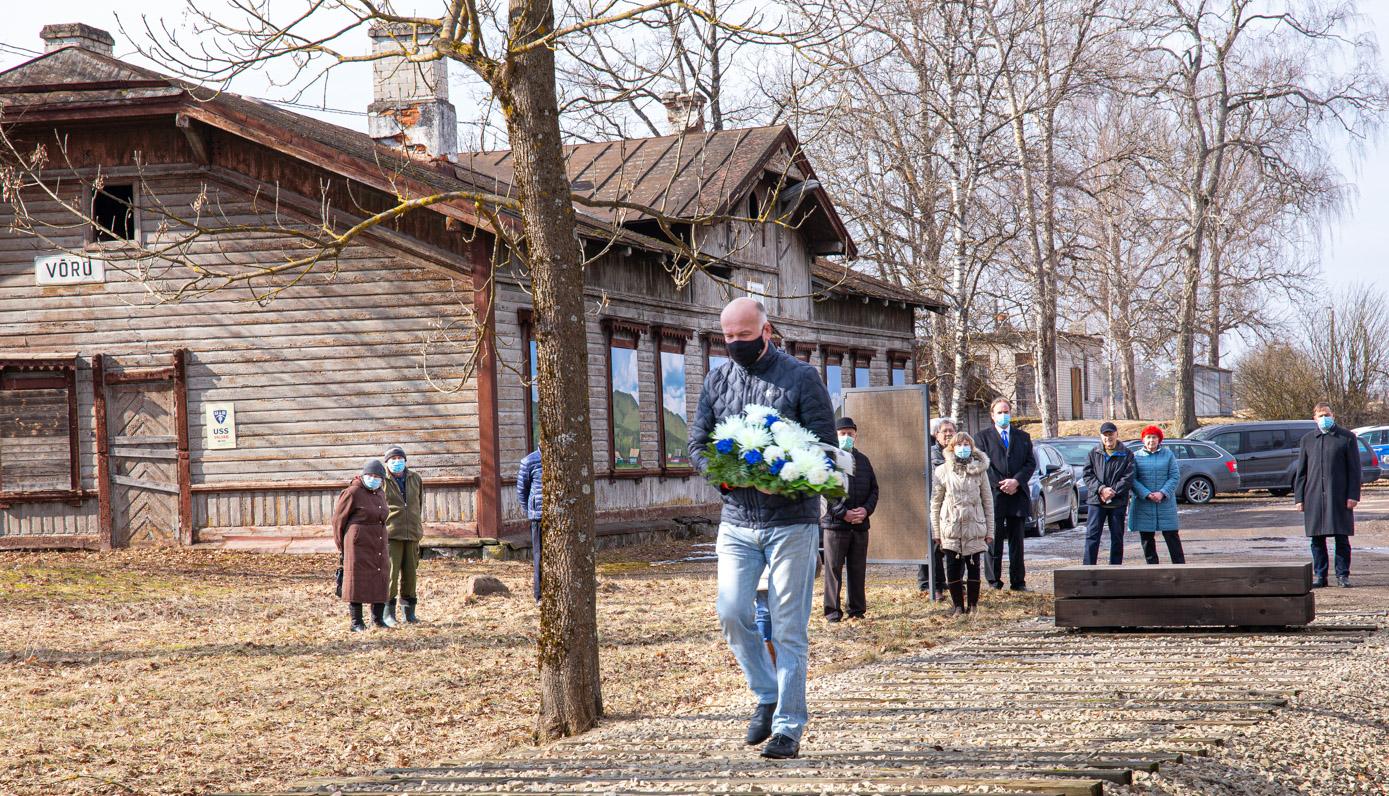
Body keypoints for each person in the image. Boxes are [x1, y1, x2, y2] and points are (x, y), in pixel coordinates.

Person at [689, 297, 837, 761]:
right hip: (737, 521)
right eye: (728, 337)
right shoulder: (716, 379)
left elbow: (826, 449)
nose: (735, 343)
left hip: (791, 522)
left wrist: (784, 476)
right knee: (732, 613)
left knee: (788, 627)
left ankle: (788, 728)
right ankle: (767, 692)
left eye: (744, 336)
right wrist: (725, 476)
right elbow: (697, 443)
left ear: (766, 332)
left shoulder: (802, 378)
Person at [1294, 402, 1361, 588]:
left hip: (1339, 496)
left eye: (1327, 415)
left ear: (1333, 416)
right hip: (1314, 496)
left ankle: (1342, 575)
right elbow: (1301, 472)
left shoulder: (1346, 438)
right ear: (1314, 418)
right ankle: (1320, 576)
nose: (1324, 418)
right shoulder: (1307, 440)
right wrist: (1299, 498)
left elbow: (1355, 470)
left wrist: (1353, 495)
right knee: (1317, 539)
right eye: (1321, 415)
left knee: (1341, 538)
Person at [973, 398, 1036, 591]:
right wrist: (1002, 484)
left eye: (1006, 412)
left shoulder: (1023, 437)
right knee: (993, 540)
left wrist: (1016, 481)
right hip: (994, 496)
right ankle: (994, 581)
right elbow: (983, 464)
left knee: (1017, 542)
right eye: (999, 412)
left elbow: (1030, 463)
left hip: (1017, 495)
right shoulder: (982, 438)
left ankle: (1018, 581)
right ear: (992, 416)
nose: (1003, 415)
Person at [821, 416, 880, 622]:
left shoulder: (863, 460)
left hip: (860, 526)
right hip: (836, 526)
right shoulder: (829, 460)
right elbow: (824, 490)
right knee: (833, 569)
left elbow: (874, 489)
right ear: (836, 435)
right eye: (842, 433)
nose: (847, 437)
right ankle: (832, 612)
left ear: (856, 435)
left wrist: (865, 510)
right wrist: (843, 512)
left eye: (850, 434)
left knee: (857, 569)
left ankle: (857, 610)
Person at [930, 431, 993, 615]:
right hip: (951, 526)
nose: (963, 448)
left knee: (974, 566)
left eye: (966, 445)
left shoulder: (980, 470)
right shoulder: (942, 471)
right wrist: (936, 532)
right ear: (952, 448)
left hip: (974, 525)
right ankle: (958, 605)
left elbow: (988, 501)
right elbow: (935, 503)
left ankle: (973, 605)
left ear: (972, 448)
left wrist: (990, 531)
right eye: (959, 445)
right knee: (952, 567)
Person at [332, 459, 391, 632]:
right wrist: (342, 546)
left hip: (378, 542)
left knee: (380, 577)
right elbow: (338, 521)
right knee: (356, 580)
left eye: (377, 477)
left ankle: (378, 619)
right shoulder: (352, 492)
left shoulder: (380, 493)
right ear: (363, 475)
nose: (373, 479)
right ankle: (356, 622)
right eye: (370, 475)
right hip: (357, 544)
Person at [1128, 426, 1185, 565]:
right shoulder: (1136, 456)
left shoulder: (1168, 455)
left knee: (1172, 536)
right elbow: (1132, 479)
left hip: (1165, 503)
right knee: (1147, 539)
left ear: (1159, 439)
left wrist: (1162, 493)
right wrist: (1146, 494)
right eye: (1148, 437)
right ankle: (1152, 569)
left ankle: (1180, 568)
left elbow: (1174, 476)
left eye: (1154, 437)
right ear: (1143, 439)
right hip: (1144, 504)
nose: (1151, 440)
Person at [1081, 422, 1135, 566]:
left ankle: (1115, 568)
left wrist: (1112, 491)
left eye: (1111, 434)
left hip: (1117, 502)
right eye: (1105, 435)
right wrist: (1101, 489)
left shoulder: (1127, 454)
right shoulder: (1093, 453)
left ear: (1117, 434)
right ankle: (1088, 568)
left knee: (1117, 537)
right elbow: (1087, 475)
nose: (1108, 438)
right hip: (1096, 501)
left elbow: (1128, 477)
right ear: (1101, 436)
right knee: (1092, 536)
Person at [381, 445, 424, 626]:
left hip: (412, 533)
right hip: (391, 534)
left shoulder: (415, 478)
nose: (397, 462)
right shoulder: (382, 480)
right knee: (390, 575)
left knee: (410, 575)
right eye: (393, 459)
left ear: (405, 461)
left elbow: (418, 503)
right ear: (387, 463)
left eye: (400, 459)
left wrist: (415, 524)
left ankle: (409, 614)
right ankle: (387, 614)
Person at [917, 418, 955, 598]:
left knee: (953, 547)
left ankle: (951, 582)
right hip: (935, 505)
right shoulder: (930, 454)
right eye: (944, 431)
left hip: (954, 507)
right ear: (936, 435)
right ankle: (932, 584)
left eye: (951, 431)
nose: (948, 434)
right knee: (934, 546)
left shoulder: (960, 452)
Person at [517, 447, 543, 602]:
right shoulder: (529, 461)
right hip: (538, 517)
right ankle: (539, 595)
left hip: (558, 516)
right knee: (539, 556)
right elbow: (522, 491)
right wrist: (531, 511)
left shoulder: (562, 457)